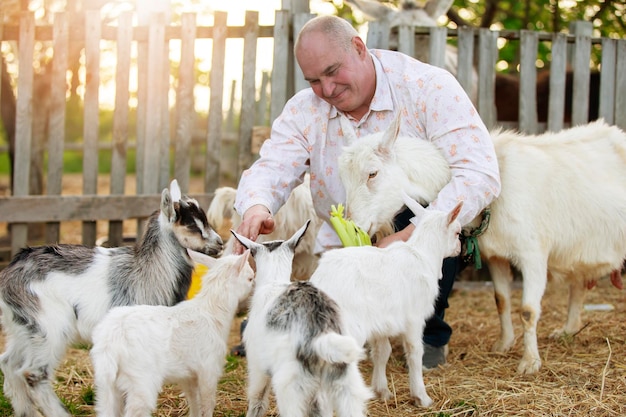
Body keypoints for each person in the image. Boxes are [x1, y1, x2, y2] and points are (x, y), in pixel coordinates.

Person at [232, 14, 501, 369]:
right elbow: (271, 168)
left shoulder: (427, 87)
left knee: (421, 205)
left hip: (413, 230)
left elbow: (479, 171)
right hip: (341, 249)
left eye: (332, 72)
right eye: (314, 80)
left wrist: (410, 234)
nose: (327, 90)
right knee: (323, 318)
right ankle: (296, 324)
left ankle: (428, 329)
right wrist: (255, 207)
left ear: (359, 48)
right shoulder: (304, 110)